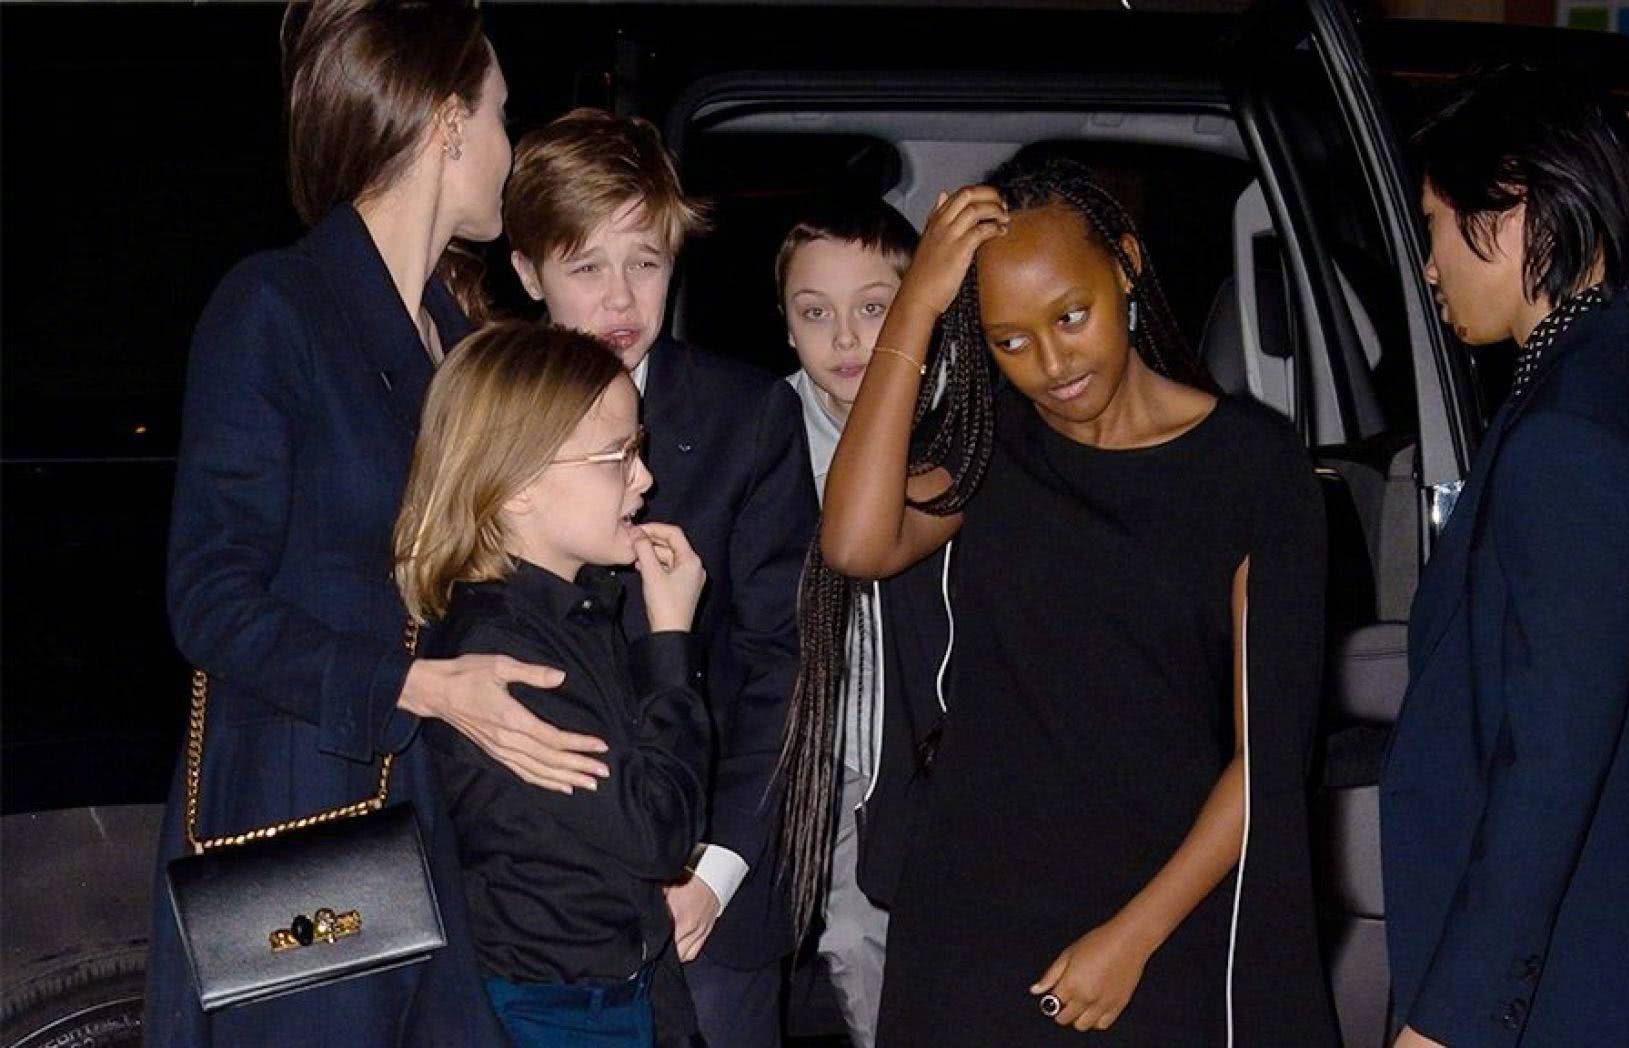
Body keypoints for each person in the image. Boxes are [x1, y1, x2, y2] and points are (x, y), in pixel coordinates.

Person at [148, 1, 616, 1044]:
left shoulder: (456, 335)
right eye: (501, 113)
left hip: (430, 808)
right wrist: (417, 686)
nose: (509, 146)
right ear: (448, 122)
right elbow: (209, 600)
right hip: (302, 814)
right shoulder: (275, 307)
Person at [809, 155, 1338, 1045]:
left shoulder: (1252, 467)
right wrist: (915, 308)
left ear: (1125, 264)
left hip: (1162, 905)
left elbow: (1269, 757)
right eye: (1009, 342)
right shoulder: (993, 445)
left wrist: (1133, 938)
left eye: (1070, 316)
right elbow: (855, 542)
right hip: (974, 916)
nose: (1052, 365)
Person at [1383, 66, 1629, 1048]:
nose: (1429, 268)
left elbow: (1549, 764)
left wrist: (1447, 1023)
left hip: (1580, 973)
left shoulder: (1572, 432)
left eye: (1433, 225)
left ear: (1512, 210)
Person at [503, 108, 817, 1048]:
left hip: (709, 877)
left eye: (645, 262)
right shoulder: (483, 409)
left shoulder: (745, 416)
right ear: (528, 272)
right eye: (585, 267)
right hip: (528, 896)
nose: (621, 299)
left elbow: (788, 660)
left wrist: (714, 871)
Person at [393, 321, 710, 1046]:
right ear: (517, 486)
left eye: (638, 448)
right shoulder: (506, 654)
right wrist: (671, 642)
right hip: (554, 1012)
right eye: (617, 456)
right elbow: (656, 832)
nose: (644, 478)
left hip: (608, 992)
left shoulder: (573, 608)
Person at [767, 197, 920, 1048]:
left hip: (943, 737)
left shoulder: (959, 417)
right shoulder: (769, 429)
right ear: (786, 325)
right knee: (855, 940)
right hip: (836, 749)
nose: (847, 338)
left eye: (873, 308)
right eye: (815, 313)